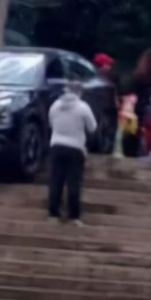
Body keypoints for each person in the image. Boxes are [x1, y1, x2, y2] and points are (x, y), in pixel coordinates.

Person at [47, 80, 97, 226]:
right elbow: (92, 127)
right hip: (75, 148)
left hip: (56, 146)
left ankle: (53, 214)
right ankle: (74, 216)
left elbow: (51, 124)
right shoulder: (83, 107)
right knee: (73, 182)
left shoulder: (55, 106)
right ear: (79, 92)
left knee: (56, 181)